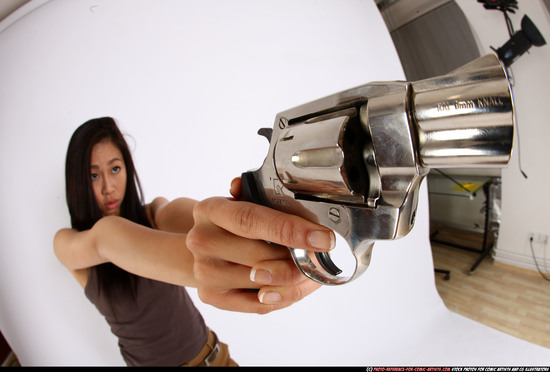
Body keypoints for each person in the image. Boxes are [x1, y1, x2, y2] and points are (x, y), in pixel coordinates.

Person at [54, 117, 335, 366]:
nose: (107, 187)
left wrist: (247, 222)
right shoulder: (70, 243)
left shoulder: (154, 213)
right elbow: (105, 238)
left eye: (115, 169)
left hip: (218, 357)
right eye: (94, 175)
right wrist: (224, 265)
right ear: (77, 181)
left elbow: (188, 216)